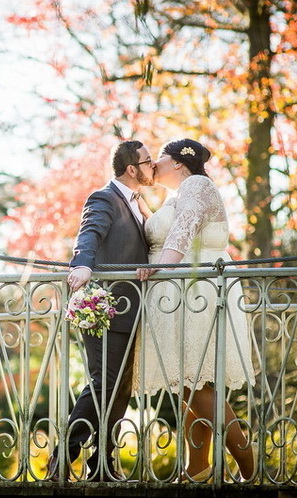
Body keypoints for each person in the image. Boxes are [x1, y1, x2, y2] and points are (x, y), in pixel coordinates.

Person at [134, 138, 256, 482]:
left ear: (177, 163)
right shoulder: (177, 194)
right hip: (179, 292)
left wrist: (162, 268)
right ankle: (198, 467)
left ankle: (248, 460)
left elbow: (185, 227)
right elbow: (174, 224)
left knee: (197, 380)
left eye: (158, 157)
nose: (153, 164)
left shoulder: (197, 184)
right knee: (190, 380)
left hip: (195, 291)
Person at [48, 140, 155, 482]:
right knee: (102, 383)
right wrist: (82, 266)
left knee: (120, 390)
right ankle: (64, 456)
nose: (152, 166)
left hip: (132, 309)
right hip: (104, 308)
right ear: (131, 169)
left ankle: (103, 466)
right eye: (147, 162)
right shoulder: (104, 198)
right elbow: (89, 234)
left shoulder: (140, 203)